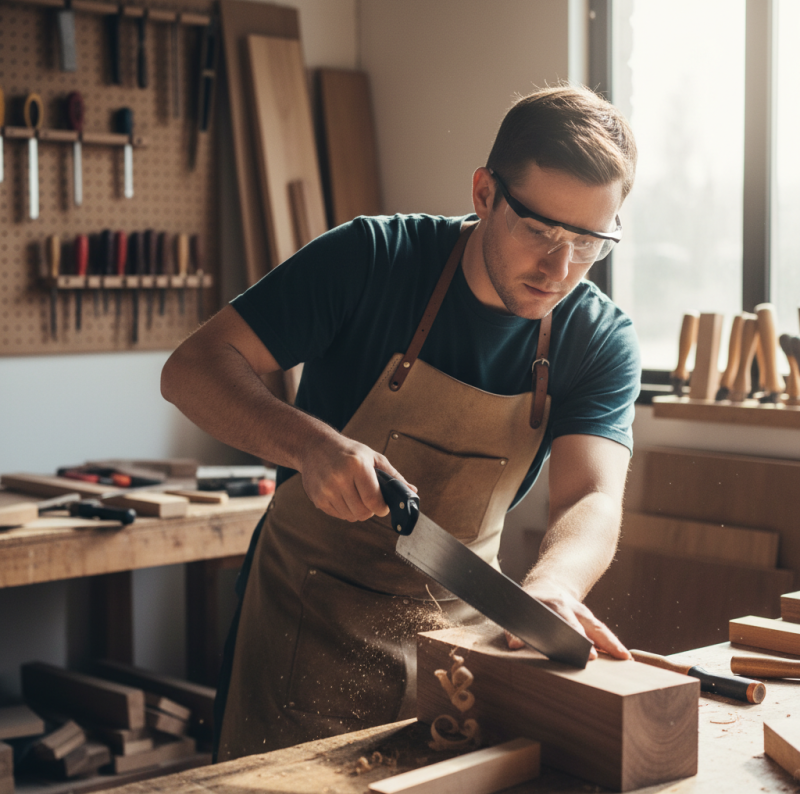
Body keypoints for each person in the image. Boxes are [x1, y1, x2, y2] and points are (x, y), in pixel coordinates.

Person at [161, 84, 640, 762]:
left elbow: (592, 496)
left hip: (461, 641)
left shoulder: (598, 338)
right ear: (484, 194)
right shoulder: (371, 260)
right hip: (304, 624)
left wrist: (553, 586)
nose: (559, 269)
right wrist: (311, 444)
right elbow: (193, 368)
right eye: (539, 231)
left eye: (589, 242)